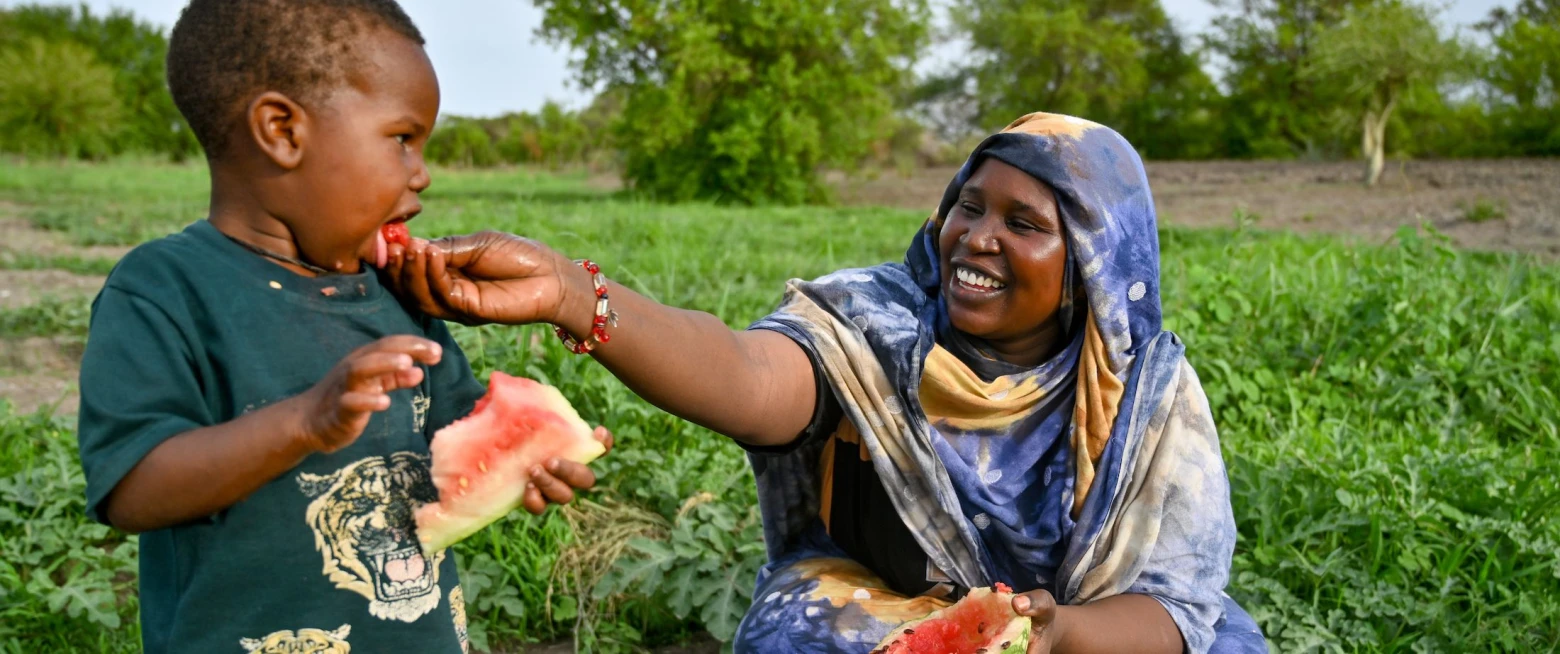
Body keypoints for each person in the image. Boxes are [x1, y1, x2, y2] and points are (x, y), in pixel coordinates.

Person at [389, 113, 1267, 653]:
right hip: (886, 609)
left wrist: (1056, 634)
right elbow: (745, 375)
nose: (976, 237)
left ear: (1090, 264)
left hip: (1081, 639)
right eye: (969, 204)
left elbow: (1171, 609)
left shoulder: (1148, 391)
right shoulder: (874, 323)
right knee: (799, 635)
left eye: (1024, 223)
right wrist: (575, 295)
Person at [74, 2, 608, 652]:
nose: (422, 173)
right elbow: (132, 489)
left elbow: (450, 444)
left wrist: (527, 461)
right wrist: (305, 423)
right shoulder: (164, 290)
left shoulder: (393, 293)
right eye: (402, 138)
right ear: (282, 131)